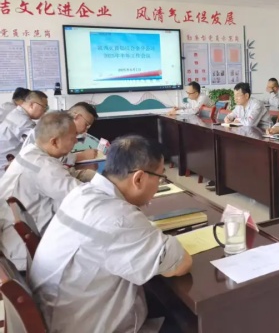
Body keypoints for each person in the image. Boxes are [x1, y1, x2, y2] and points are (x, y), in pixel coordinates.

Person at [30, 135, 192, 333]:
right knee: (185, 318)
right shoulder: (118, 217)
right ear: (139, 178)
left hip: (61, 310)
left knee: (162, 297)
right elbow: (180, 264)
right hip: (82, 324)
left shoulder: (82, 193)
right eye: (160, 177)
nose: (159, 185)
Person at [0, 112, 81, 270]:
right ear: (54, 141)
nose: (76, 141)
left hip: (13, 241)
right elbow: (80, 196)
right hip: (25, 255)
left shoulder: (30, 152)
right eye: (73, 137)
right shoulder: (43, 166)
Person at [22, 102, 99, 181]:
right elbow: (56, 172)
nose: (85, 131)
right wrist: (80, 157)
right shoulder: (52, 126)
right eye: (86, 125)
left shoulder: (60, 128)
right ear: (77, 117)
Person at [0, 91, 48, 174]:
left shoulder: (17, 114)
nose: (45, 111)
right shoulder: (23, 122)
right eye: (44, 107)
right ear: (32, 104)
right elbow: (41, 144)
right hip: (5, 170)